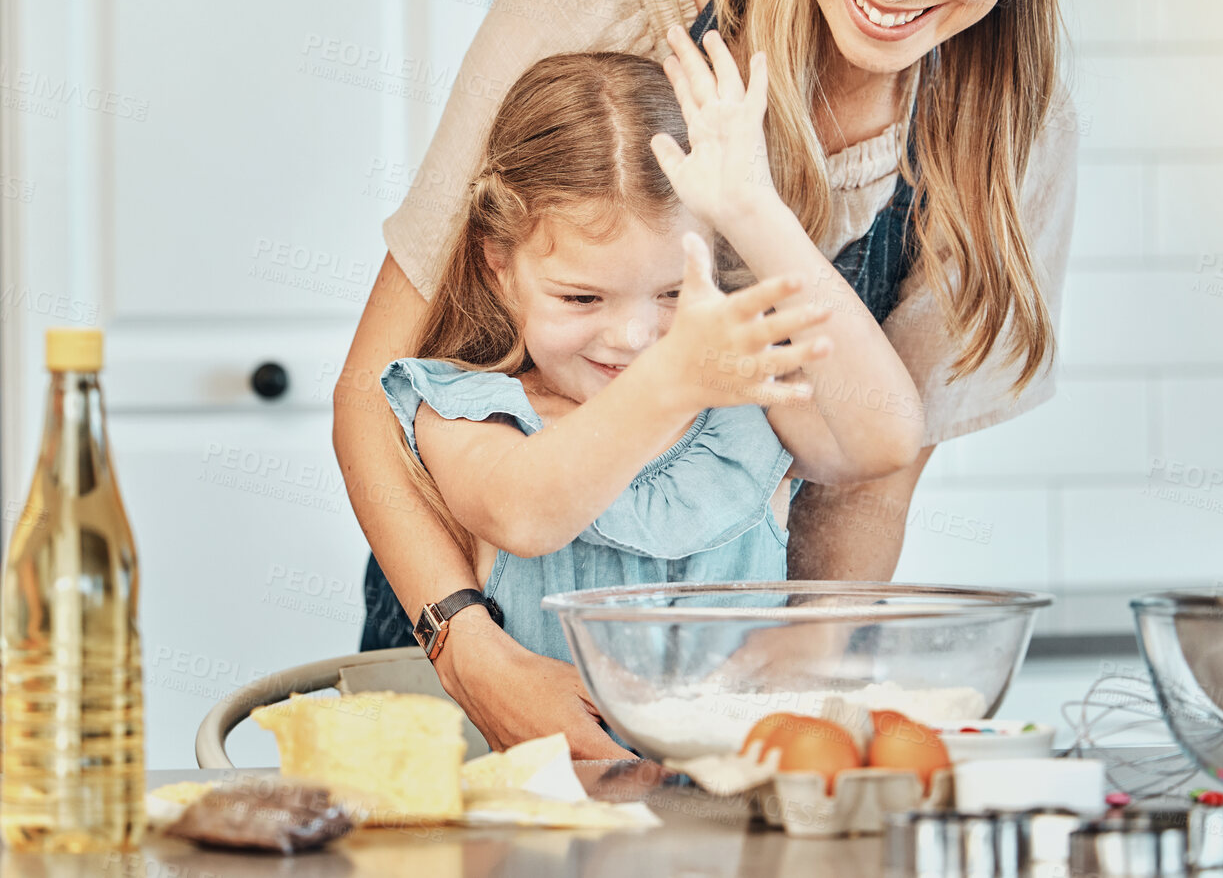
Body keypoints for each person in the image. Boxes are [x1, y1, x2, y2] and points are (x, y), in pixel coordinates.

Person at [333, 0, 1078, 756]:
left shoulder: (1004, 119)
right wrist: (474, 650)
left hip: (711, 700)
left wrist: (798, 689)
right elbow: (369, 393)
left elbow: (874, 459)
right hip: (477, 654)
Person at [375, 50, 920, 740]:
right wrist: (671, 382)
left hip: (733, 817)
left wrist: (752, 210)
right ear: (500, 268)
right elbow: (526, 514)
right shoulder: (468, 411)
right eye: (581, 296)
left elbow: (886, 436)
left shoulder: (739, 393)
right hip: (541, 821)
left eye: (668, 293)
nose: (633, 337)